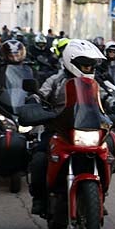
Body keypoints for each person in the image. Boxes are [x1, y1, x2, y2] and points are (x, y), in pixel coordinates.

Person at [28, 39, 106, 216]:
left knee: (112, 150)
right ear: (72, 62)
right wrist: (34, 102)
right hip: (58, 129)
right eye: (86, 65)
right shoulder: (56, 80)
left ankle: (99, 197)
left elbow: (106, 99)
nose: (90, 69)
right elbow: (40, 94)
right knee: (39, 157)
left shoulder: (95, 83)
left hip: (86, 128)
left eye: (92, 65)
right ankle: (39, 199)